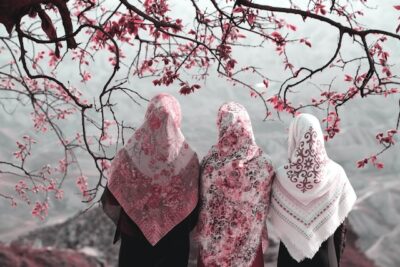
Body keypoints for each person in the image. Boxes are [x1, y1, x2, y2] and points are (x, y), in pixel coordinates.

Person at [101, 93, 200, 267]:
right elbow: (195, 207)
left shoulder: (128, 155)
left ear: (148, 116)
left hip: (134, 244)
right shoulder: (189, 159)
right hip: (175, 246)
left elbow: (112, 197)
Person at [270, 113, 357, 267]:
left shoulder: (281, 176)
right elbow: (341, 226)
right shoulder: (336, 173)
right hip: (326, 256)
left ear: (294, 137)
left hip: (290, 259)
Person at [197, 102, 275, 267]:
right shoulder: (264, 164)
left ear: (221, 124)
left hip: (212, 251)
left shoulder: (209, 163)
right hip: (249, 251)